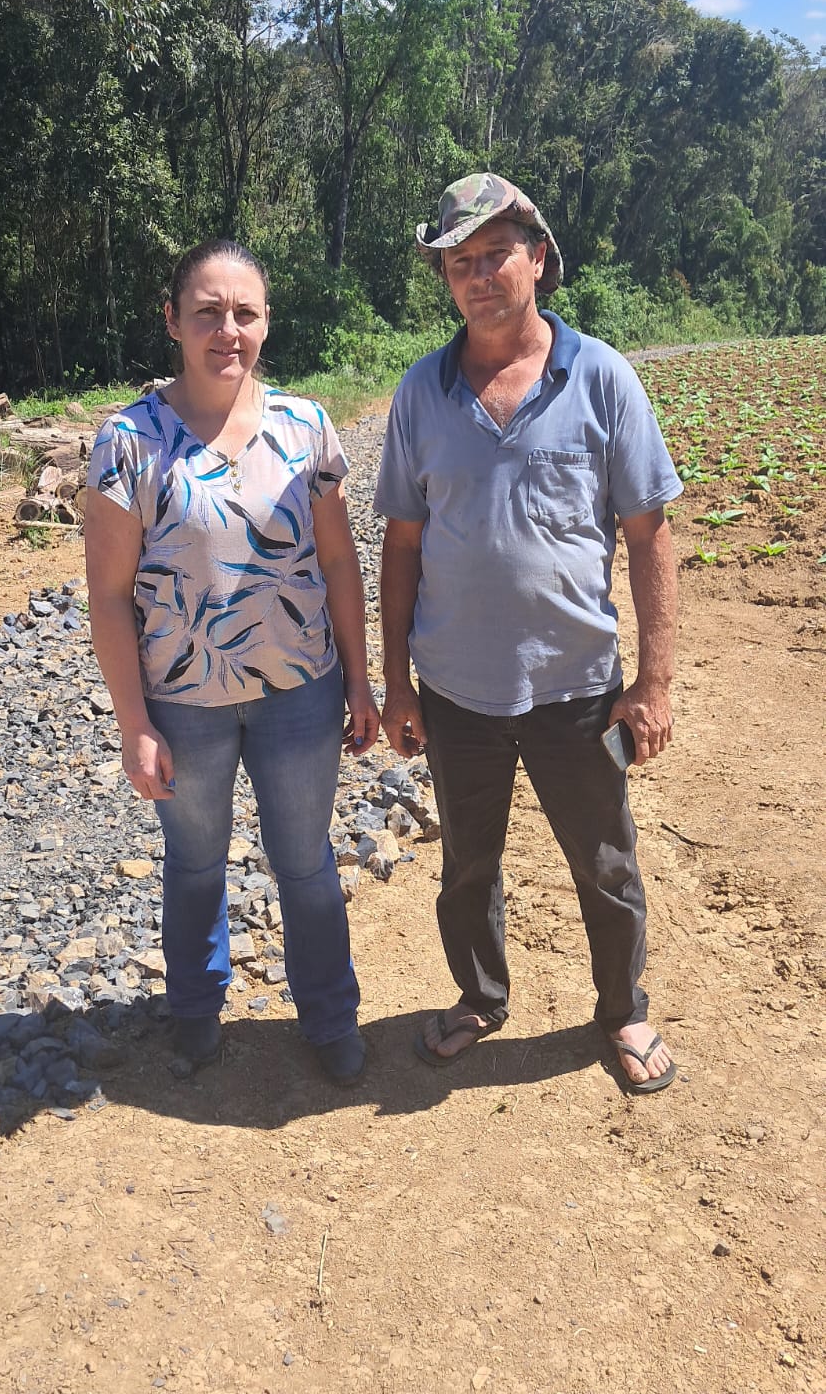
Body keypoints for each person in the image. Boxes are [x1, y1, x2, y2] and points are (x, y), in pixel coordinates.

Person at [375, 174, 682, 1094]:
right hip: (456, 692)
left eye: (496, 254)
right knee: (468, 862)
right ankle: (480, 998)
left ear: (538, 257)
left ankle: (623, 1010)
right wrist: (396, 684)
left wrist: (654, 683)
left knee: (605, 863)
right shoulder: (421, 393)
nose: (478, 276)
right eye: (458, 262)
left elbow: (649, 534)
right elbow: (401, 545)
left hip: (577, 686)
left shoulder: (601, 378)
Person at [84, 237, 379, 1085]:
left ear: (266, 323)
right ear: (173, 321)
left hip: (301, 694)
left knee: (307, 864)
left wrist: (360, 681)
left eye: (244, 313)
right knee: (194, 864)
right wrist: (134, 725)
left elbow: (337, 562)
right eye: (207, 312)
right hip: (184, 703)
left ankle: (329, 1016)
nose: (228, 330)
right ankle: (195, 1008)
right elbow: (108, 596)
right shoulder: (129, 442)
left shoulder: (305, 427)